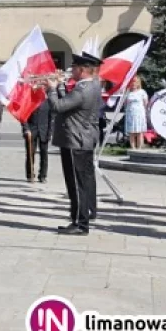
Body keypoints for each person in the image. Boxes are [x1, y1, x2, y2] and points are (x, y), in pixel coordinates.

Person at [47, 53, 102, 235]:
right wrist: (61, 86)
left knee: (76, 184)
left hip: (74, 140)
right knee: (83, 182)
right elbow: (70, 104)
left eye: (75, 68)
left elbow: (57, 107)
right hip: (84, 139)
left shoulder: (82, 89)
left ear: (83, 70)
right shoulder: (93, 85)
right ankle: (81, 218)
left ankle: (80, 223)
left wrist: (52, 89)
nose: (72, 70)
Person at [24, 89, 52, 183]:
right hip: (32, 130)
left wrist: (50, 132)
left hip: (44, 131)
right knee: (30, 153)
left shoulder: (48, 102)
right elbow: (24, 117)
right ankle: (30, 174)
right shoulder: (30, 101)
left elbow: (51, 118)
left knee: (44, 154)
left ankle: (43, 175)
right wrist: (26, 129)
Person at [123, 75, 149, 150]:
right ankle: (133, 148)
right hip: (130, 114)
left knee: (139, 132)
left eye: (135, 82)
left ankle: (140, 148)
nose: (133, 84)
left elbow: (145, 103)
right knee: (132, 132)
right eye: (132, 82)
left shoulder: (142, 92)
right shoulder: (127, 92)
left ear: (138, 83)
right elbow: (125, 104)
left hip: (139, 114)